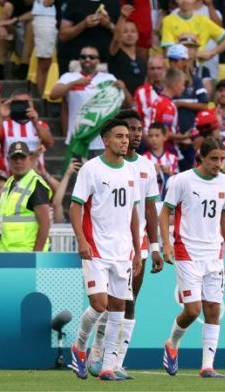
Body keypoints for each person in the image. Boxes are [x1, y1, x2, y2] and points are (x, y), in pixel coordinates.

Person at [86, 110, 162, 379]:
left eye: (138, 129)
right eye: (128, 129)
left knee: (128, 302)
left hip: (135, 243)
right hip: (106, 243)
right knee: (106, 303)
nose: (135, 134)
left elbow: (150, 210)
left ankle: (116, 361)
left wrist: (154, 247)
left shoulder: (146, 167)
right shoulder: (99, 167)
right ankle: (96, 351)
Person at [68, 118, 141, 381]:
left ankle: (108, 366)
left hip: (123, 251)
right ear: (105, 140)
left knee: (118, 307)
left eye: (127, 136)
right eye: (119, 136)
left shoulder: (131, 171)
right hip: (97, 248)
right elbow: (75, 206)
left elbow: (133, 212)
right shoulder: (91, 169)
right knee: (100, 305)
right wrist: (81, 239)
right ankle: (80, 346)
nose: (125, 140)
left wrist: (137, 248)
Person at [160, 137, 225, 378]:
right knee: (192, 310)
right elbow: (165, 212)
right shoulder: (182, 180)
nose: (218, 164)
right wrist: (166, 245)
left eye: (222, 159)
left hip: (214, 253)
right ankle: (172, 343)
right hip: (187, 251)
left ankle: (207, 366)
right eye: (214, 159)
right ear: (201, 157)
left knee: (213, 309)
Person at [49, 46, 118, 158]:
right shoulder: (69, 77)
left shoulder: (109, 78)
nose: (87, 59)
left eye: (92, 57)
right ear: (79, 60)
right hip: (77, 139)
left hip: (101, 140)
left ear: (98, 60)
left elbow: (123, 102)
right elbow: (53, 95)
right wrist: (74, 83)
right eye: (83, 56)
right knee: (76, 175)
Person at [0, 140, 52, 252]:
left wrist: (36, 255)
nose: (18, 161)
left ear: (29, 159)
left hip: (28, 254)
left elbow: (45, 224)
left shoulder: (36, 184)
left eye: (22, 157)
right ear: (8, 160)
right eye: (14, 158)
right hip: (7, 253)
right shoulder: (9, 182)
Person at [57, 0, 120, 75]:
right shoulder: (74, 2)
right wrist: (83, 24)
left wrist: (109, 25)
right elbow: (63, 35)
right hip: (79, 64)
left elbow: (123, 35)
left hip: (106, 64)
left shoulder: (114, 3)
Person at [108, 5, 146, 96]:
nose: (129, 34)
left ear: (137, 36)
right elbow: (116, 40)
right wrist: (122, 17)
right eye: (125, 31)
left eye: (133, 31)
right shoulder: (115, 54)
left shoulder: (142, 61)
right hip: (120, 104)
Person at [143, 122, 179, 194]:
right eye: (150, 136)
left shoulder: (173, 158)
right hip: (150, 199)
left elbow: (179, 182)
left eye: (157, 136)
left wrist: (169, 172)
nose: (154, 139)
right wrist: (151, 172)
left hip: (168, 200)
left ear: (165, 137)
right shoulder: (144, 158)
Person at [134, 55, 166, 132]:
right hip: (148, 137)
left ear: (165, 69)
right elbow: (135, 119)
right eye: (152, 68)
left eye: (159, 68)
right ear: (147, 70)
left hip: (169, 138)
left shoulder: (173, 90)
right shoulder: (141, 92)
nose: (156, 71)